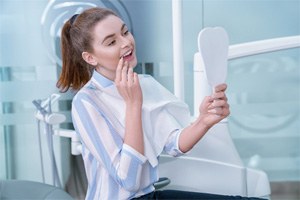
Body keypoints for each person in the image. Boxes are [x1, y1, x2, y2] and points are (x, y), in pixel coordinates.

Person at [57, 7, 264, 200]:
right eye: (111, 42)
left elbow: (174, 145)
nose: (126, 42)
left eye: (125, 32)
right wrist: (133, 105)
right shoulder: (87, 102)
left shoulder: (144, 84)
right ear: (90, 57)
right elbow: (128, 179)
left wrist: (204, 121)